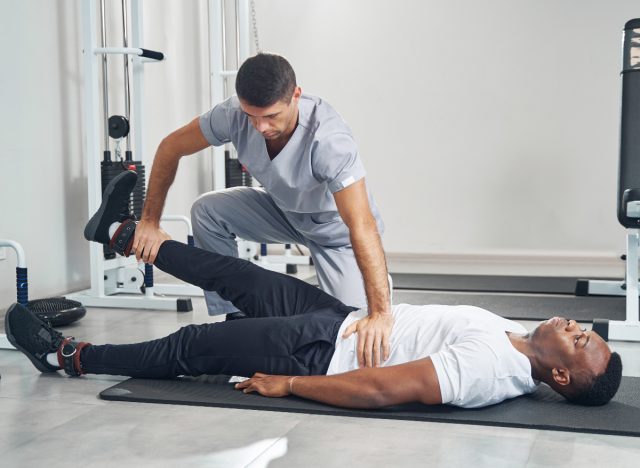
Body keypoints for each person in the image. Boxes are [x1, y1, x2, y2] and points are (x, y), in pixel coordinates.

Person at [4, 171, 622, 409]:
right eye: (583, 326)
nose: (574, 325)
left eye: (580, 339)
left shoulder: (490, 370)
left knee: (194, 346)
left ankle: (67, 357)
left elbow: (385, 387)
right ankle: (114, 231)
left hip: (318, 352)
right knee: (233, 274)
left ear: (563, 377)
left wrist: (291, 384)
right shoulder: (509, 340)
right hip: (340, 318)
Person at [133, 52, 391, 368]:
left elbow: (362, 226)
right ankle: (236, 315)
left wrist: (379, 313)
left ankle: (372, 300)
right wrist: (149, 221)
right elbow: (170, 147)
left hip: (335, 235)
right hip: (284, 212)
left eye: (271, 116)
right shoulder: (233, 114)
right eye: (251, 116)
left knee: (345, 338)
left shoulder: (330, 141)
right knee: (207, 210)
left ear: (296, 95)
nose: (260, 127)